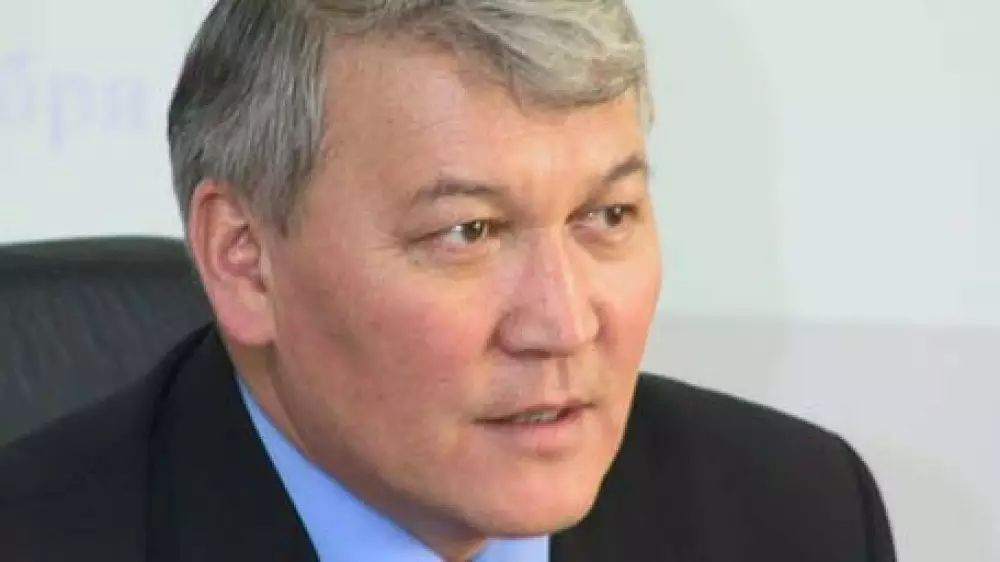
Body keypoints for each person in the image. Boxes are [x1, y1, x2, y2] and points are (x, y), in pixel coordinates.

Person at [0, 1, 896, 560]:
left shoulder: (793, 515)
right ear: (246, 261)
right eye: (468, 231)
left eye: (607, 215)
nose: (562, 324)